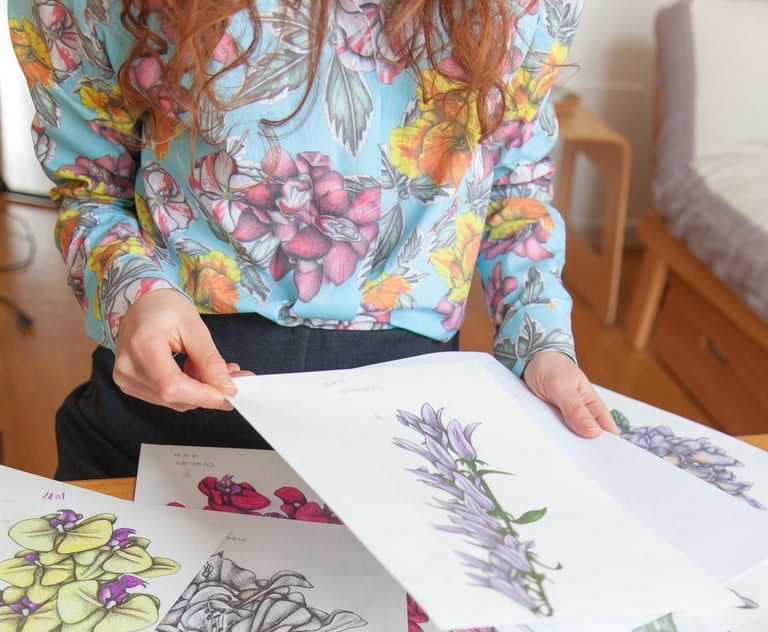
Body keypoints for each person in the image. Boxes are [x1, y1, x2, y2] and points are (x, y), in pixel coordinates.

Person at [10, 0, 617, 480]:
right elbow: (90, 182)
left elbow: (515, 177)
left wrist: (540, 343)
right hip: (174, 387)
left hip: (406, 419)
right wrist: (132, 294)